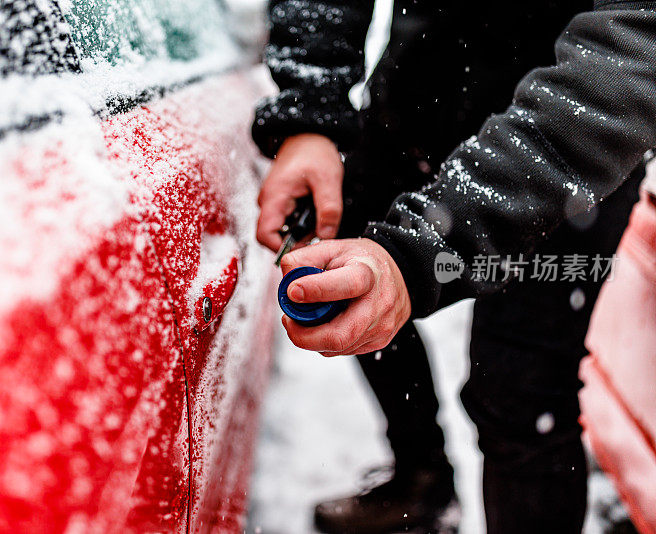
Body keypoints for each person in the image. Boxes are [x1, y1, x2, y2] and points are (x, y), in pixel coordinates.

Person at [252, 1, 656, 532]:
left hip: (567, 157)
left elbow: (631, 56)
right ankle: (421, 480)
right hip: (414, 104)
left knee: (521, 394)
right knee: (347, 278)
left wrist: (419, 254)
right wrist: (311, 118)